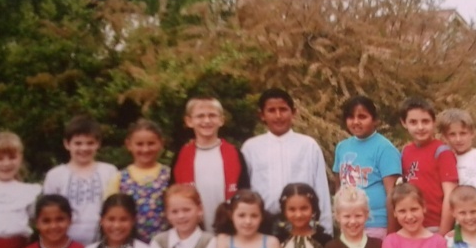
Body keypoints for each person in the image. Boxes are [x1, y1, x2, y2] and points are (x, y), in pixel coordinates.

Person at [241, 88, 333, 235]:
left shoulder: (308, 146)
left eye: (283, 109)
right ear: (262, 115)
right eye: (271, 110)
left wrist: (326, 230)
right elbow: (245, 190)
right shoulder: (251, 148)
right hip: (263, 225)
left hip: (301, 224)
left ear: (293, 112)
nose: (278, 116)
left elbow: (321, 189)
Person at [170, 97, 250, 231]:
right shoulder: (181, 156)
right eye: (200, 116)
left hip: (229, 229)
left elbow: (245, 192)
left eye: (212, 115)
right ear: (189, 121)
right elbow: (173, 195)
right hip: (193, 231)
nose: (207, 120)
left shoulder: (235, 153)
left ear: (221, 120)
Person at [43, 115, 118, 246]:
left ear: (98, 144)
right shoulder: (55, 175)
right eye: (78, 143)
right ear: (67, 144)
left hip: (103, 241)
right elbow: (48, 213)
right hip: (65, 241)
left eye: (90, 143)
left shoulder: (109, 171)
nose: (84, 148)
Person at [333, 96, 401, 238]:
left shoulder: (384, 148)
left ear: (375, 120)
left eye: (362, 117)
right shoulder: (342, 147)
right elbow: (339, 187)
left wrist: (391, 235)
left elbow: (393, 195)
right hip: (348, 224)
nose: (356, 122)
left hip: (376, 225)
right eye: (351, 117)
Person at [399, 97, 458, 235]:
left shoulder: (442, 152)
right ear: (404, 123)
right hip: (411, 225)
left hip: (435, 227)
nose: (420, 127)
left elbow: (450, 195)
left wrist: (442, 234)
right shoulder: (406, 152)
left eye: (425, 121)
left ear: (434, 122)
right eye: (413, 122)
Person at [108, 119, 170, 243]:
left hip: (164, 243)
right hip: (130, 243)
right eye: (139, 144)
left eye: (151, 143)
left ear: (161, 143)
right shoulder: (120, 177)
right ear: (129, 145)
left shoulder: (169, 174)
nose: (145, 149)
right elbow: (110, 212)